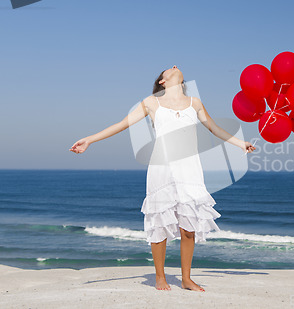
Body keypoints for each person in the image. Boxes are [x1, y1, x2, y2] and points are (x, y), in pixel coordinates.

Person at [69, 65, 256, 292]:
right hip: (162, 168)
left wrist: (241, 144)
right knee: (159, 224)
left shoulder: (195, 102)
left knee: (189, 228)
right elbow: (122, 125)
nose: (175, 66)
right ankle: (160, 277)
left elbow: (215, 129)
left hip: (190, 169)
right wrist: (90, 139)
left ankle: (186, 279)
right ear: (163, 81)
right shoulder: (151, 103)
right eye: (169, 68)